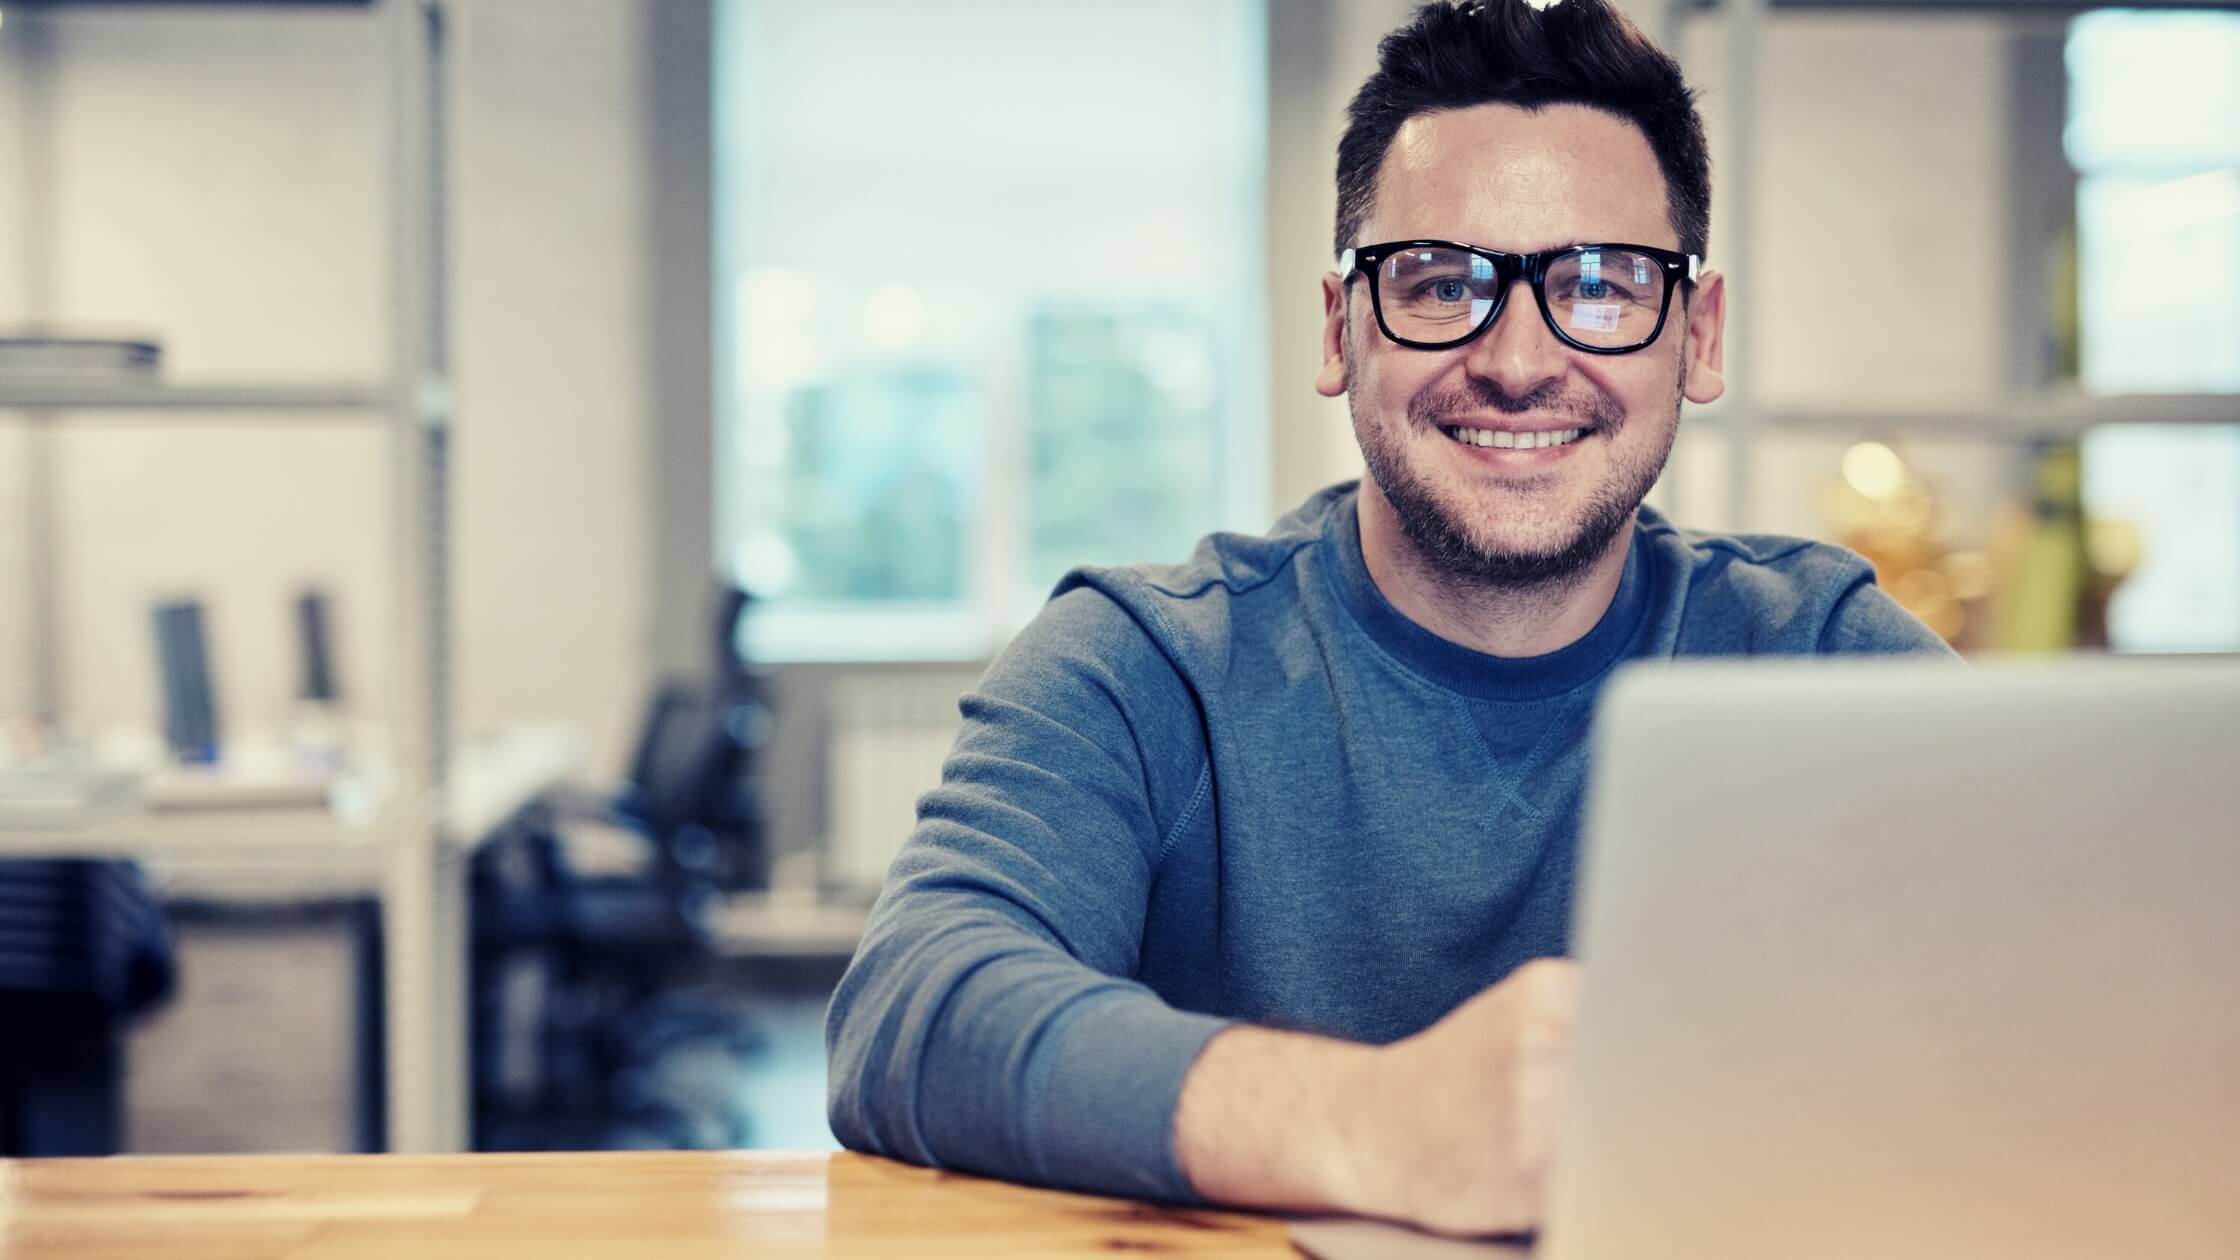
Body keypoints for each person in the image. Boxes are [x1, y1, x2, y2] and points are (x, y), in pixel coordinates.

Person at [825, 0, 1952, 1238]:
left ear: (1697, 334)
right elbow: (914, 1010)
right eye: (1437, 282)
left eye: (1598, 284)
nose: (1518, 360)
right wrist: (1375, 1121)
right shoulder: (1147, 664)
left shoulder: (1822, 658)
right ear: (1337, 326)